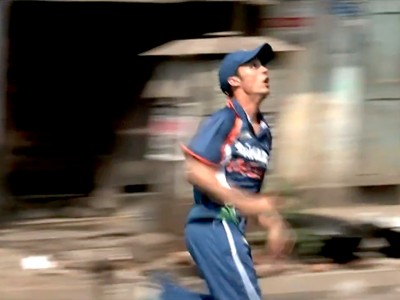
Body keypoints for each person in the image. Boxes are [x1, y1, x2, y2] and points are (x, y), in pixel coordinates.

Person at [153, 43, 291, 300]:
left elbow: (249, 189)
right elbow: (195, 170)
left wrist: (273, 221)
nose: (264, 71)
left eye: (263, 65)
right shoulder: (225, 120)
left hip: (230, 229)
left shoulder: (263, 133)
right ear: (234, 80)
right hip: (214, 224)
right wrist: (246, 204)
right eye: (253, 66)